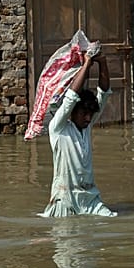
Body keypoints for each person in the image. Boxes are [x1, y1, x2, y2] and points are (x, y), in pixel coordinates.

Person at [39, 49, 117, 217]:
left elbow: (103, 93)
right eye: (84, 113)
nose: (88, 118)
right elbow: (70, 98)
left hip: (90, 198)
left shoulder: (86, 127)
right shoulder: (58, 128)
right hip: (64, 199)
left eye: (90, 114)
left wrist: (102, 62)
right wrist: (87, 64)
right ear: (73, 112)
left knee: (111, 219)